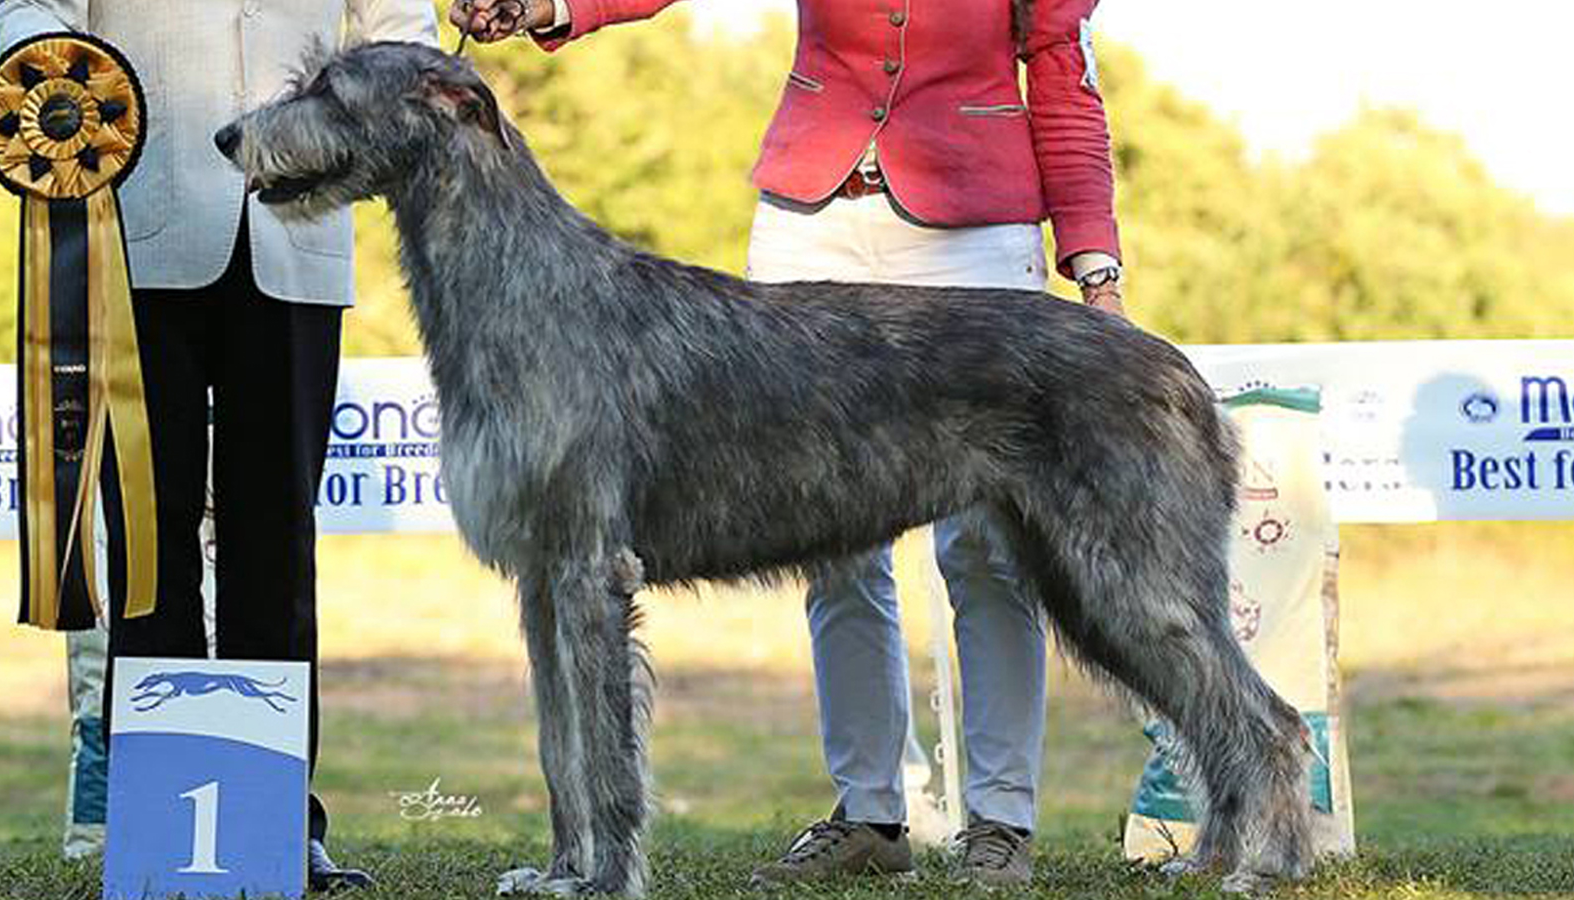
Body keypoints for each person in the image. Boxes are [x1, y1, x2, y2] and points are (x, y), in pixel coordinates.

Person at [454, 0, 1126, 887]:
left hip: (974, 224)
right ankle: (872, 811)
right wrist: (558, 6)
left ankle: (1001, 817)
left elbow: (1065, 78)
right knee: (829, 543)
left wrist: (1094, 263)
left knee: (989, 551)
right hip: (816, 219)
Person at [0, 0, 438, 890]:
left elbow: (400, 23)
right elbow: (23, 9)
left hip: (299, 233)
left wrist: (401, 99)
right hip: (135, 233)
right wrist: (45, 60)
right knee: (151, 558)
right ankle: (157, 825)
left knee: (277, 553)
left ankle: (279, 824)